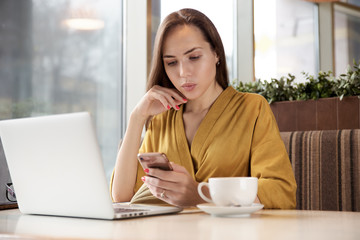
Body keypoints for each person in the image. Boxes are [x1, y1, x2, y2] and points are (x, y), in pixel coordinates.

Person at [110, 8, 297, 208]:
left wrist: (201, 195)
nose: (183, 72)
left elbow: (281, 193)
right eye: (172, 62)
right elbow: (122, 196)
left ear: (216, 53)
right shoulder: (162, 119)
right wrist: (137, 117)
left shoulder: (252, 109)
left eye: (194, 57)